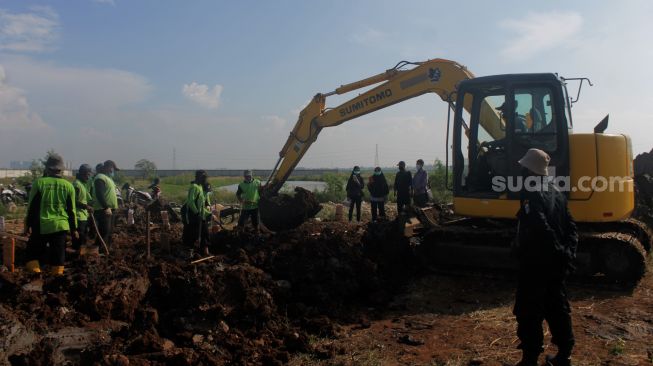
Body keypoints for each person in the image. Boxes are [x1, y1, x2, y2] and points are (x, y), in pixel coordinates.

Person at [513, 148, 578, 366]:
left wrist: (558, 251)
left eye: (523, 167)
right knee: (557, 307)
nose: (521, 170)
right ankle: (564, 355)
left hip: (536, 263)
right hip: (556, 265)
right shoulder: (557, 192)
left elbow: (540, 227)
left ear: (529, 170)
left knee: (528, 310)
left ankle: (529, 359)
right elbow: (571, 227)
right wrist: (568, 253)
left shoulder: (531, 193)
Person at [24, 154, 77, 275]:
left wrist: (28, 225)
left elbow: (32, 207)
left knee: (32, 254)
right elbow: (71, 210)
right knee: (58, 256)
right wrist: (74, 229)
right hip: (61, 226)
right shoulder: (69, 186)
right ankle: (56, 280)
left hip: (41, 225)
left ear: (47, 168)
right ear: (61, 170)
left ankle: (36, 275)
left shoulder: (39, 183)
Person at [92, 160, 120, 249]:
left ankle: (106, 249)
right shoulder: (100, 178)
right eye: (113, 169)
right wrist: (106, 207)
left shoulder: (108, 178)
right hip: (103, 209)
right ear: (109, 167)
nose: (113, 171)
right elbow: (99, 194)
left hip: (110, 209)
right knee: (104, 231)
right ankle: (99, 249)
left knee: (109, 231)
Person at [182, 170, 211, 255]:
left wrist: (206, 212)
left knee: (205, 231)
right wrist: (197, 213)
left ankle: (206, 251)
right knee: (191, 232)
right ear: (198, 177)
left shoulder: (200, 187)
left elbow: (203, 201)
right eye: (203, 177)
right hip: (191, 213)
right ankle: (189, 252)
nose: (204, 179)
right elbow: (191, 202)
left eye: (205, 177)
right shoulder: (194, 187)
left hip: (200, 214)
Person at [72, 164, 93, 255]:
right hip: (78, 216)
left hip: (83, 216)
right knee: (79, 239)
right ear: (82, 174)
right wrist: (85, 206)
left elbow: (86, 199)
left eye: (89, 175)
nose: (88, 177)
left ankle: (81, 255)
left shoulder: (82, 185)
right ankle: (76, 256)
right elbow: (73, 201)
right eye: (87, 175)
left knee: (83, 238)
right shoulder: (76, 184)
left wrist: (90, 205)